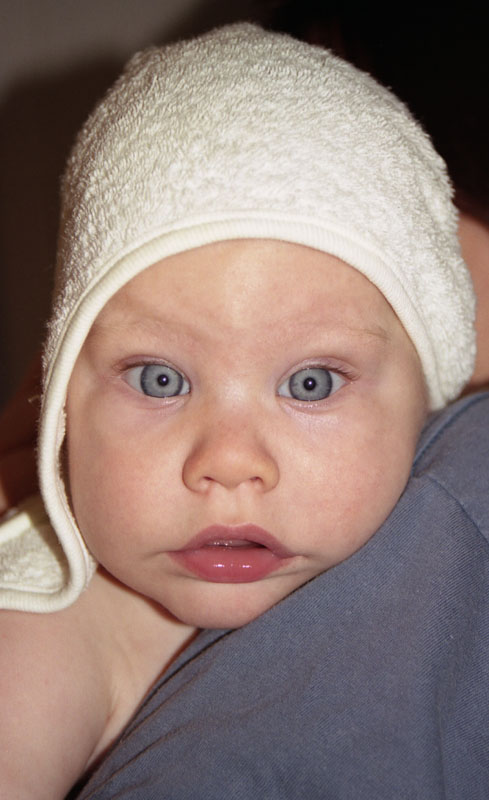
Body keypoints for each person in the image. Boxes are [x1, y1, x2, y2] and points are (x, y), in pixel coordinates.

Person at [0, 23, 480, 799]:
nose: (227, 461)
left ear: (422, 406)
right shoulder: (52, 626)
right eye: (159, 379)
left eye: (310, 384)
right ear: (61, 405)